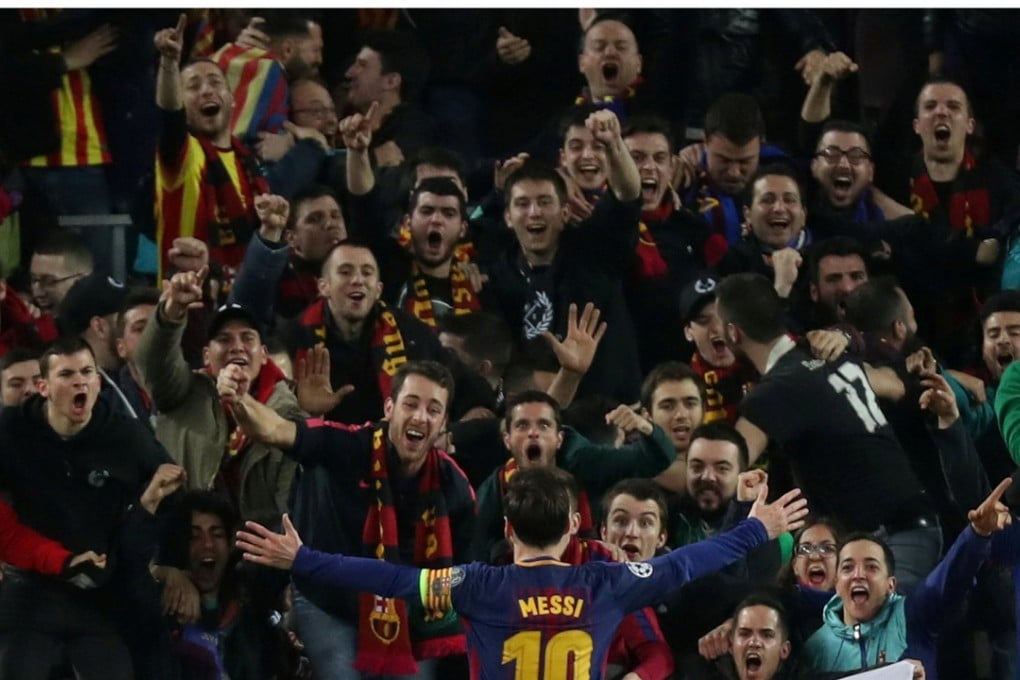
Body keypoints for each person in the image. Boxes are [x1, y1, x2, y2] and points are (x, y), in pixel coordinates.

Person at [236, 466, 808, 680]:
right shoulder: (607, 584)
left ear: (507, 529)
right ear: (575, 526)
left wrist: (301, 558)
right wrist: (756, 527)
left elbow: (390, 579)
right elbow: (685, 562)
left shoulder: (477, 585)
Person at [219, 359, 476, 678]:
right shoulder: (347, 446)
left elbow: (466, 572)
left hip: (410, 614)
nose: (421, 417)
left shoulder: (454, 487)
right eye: (411, 404)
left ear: (444, 423)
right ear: (389, 408)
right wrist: (240, 399)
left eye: (434, 410)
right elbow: (274, 430)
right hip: (330, 604)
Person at [717, 272, 942, 593]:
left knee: (882, 634)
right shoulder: (834, 355)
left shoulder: (772, 393)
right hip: (909, 524)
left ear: (733, 333)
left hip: (890, 539)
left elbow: (726, 463)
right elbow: (893, 385)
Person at [0, 335, 184, 678]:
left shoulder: (126, 436)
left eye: (87, 371)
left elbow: (173, 496)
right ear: (43, 386)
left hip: (99, 591)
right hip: (30, 591)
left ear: (99, 380)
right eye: (67, 374)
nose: (79, 381)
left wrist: (173, 563)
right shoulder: (11, 430)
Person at [486, 110, 643, 403]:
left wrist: (613, 145)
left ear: (565, 213)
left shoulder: (594, 250)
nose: (534, 212)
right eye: (523, 204)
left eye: (545, 202)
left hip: (607, 415)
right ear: (508, 217)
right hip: (539, 421)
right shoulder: (499, 273)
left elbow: (628, 195)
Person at [135, 267, 301, 528]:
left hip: (260, 556)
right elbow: (154, 363)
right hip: (185, 553)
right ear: (205, 356)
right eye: (223, 339)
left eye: (247, 338)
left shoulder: (288, 414)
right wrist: (172, 313)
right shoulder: (182, 394)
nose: (236, 346)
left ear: (264, 354)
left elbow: (293, 510)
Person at [803, 478, 1013, 679]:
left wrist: (978, 533)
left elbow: (949, 580)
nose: (858, 574)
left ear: (891, 585)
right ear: (837, 583)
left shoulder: (912, 615)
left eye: (871, 566)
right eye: (848, 567)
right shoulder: (815, 648)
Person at [470, 390, 676, 563]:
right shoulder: (494, 490)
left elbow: (658, 458)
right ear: (507, 440)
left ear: (559, 439)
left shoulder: (585, 463)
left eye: (544, 425)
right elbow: (477, 554)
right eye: (522, 426)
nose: (533, 433)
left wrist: (645, 427)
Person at [153, 14, 270, 283]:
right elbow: (169, 117)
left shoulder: (249, 162)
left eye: (216, 83)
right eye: (193, 87)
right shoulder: (184, 155)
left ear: (231, 101)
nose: (206, 90)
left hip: (241, 301)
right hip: (188, 304)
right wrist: (170, 64)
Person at [599, 478, 675, 679]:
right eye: (621, 521)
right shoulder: (575, 572)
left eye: (645, 523)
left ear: (661, 538)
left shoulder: (633, 593)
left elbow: (658, 655)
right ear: (603, 531)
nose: (632, 533)